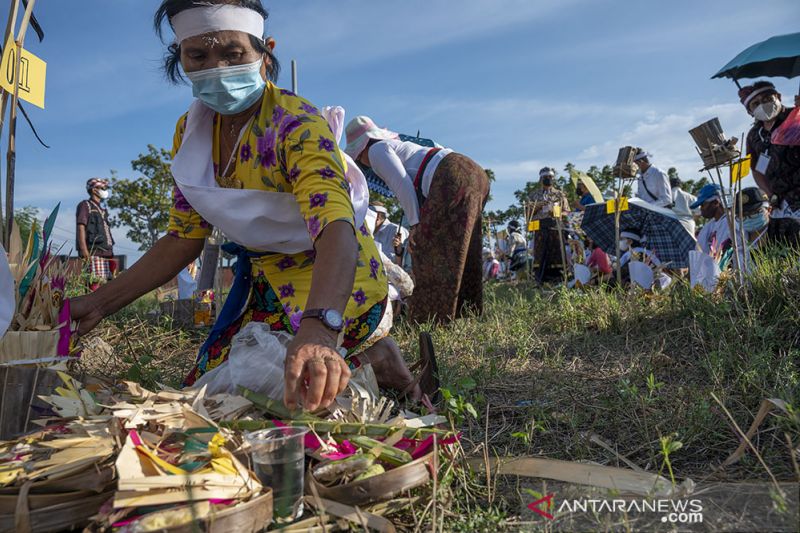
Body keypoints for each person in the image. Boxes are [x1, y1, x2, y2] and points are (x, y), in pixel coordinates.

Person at [71, 0, 420, 411]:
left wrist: (320, 328)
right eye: (198, 56)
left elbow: (334, 227)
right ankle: (371, 355)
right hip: (268, 282)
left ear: (264, 50)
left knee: (294, 399)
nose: (216, 69)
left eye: (233, 53)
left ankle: (378, 355)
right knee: (218, 397)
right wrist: (96, 304)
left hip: (335, 280)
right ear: (180, 58)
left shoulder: (296, 123)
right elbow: (183, 237)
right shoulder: (190, 134)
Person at [344, 116, 490, 325]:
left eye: (358, 158)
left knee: (428, 250)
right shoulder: (404, 146)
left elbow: (401, 184)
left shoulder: (376, 151)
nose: (361, 163)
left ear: (362, 148)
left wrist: (415, 225)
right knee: (463, 247)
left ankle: (429, 321)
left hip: (450, 176)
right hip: (474, 173)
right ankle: (465, 313)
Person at [739, 81, 800, 245]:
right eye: (756, 103)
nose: (763, 105)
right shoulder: (754, 136)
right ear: (750, 111)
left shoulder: (795, 116)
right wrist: (769, 194)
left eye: (767, 99)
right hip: (781, 202)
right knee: (788, 247)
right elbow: (757, 170)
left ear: (778, 97)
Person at [529, 167, 570, 283]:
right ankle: (540, 278)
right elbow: (527, 214)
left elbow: (567, 212)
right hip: (539, 226)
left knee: (556, 252)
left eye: (550, 177)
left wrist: (556, 212)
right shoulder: (534, 196)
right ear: (541, 179)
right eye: (546, 177)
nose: (548, 179)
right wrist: (537, 207)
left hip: (555, 225)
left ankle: (558, 278)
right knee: (540, 252)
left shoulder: (560, 195)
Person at [691, 184, 744, 270]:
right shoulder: (709, 226)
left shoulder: (732, 223)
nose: (701, 209)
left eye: (703, 204)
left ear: (716, 202)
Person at [76, 178, 116, 290]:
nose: (105, 190)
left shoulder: (102, 210)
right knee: (94, 284)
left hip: (107, 253)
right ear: (94, 190)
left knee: (107, 285)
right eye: (103, 188)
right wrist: (84, 251)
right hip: (94, 252)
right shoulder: (85, 205)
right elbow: (81, 226)